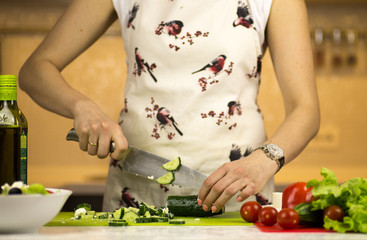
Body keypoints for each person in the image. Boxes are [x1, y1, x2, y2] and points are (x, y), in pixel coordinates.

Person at [19, 0, 320, 212]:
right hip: (135, 200)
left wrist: (263, 160)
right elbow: (35, 69)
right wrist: (83, 107)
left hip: (237, 201)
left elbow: (305, 110)